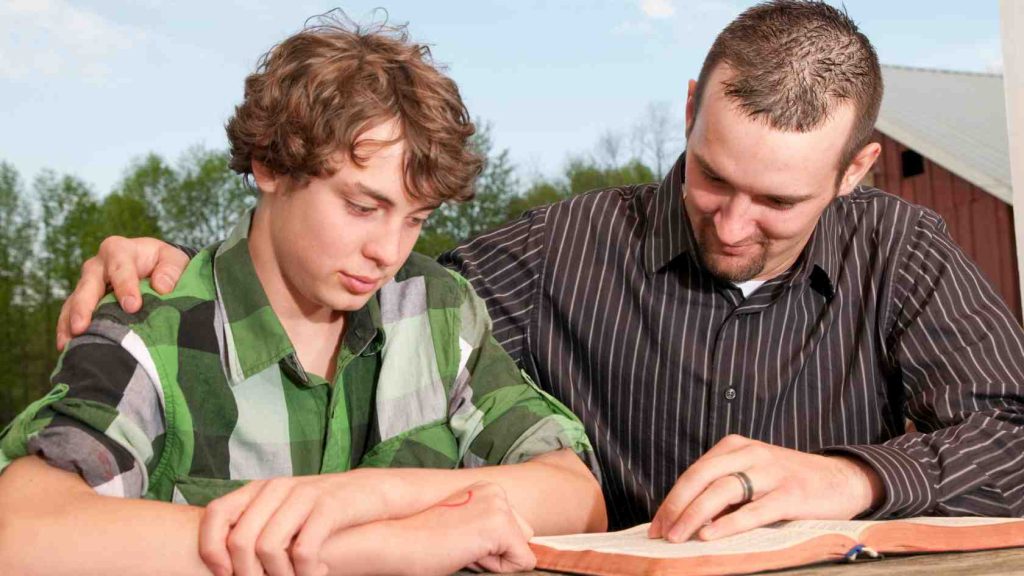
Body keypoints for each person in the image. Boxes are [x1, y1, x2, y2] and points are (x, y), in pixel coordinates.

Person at [54, 0, 1024, 545]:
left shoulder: (905, 250)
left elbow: (1012, 434)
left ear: (854, 171)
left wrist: (854, 476)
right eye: (710, 176)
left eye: (777, 203)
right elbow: (367, 300)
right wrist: (194, 272)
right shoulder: (558, 251)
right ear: (689, 107)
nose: (732, 223)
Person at [0, 16, 607, 576]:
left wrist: (371, 497)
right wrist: (378, 548)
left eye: (415, 218)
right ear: (270, 166)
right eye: (363, 207)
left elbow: (577, 499)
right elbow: (21, 533)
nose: (388, 251)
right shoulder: (152, 329)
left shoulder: (435, 308)